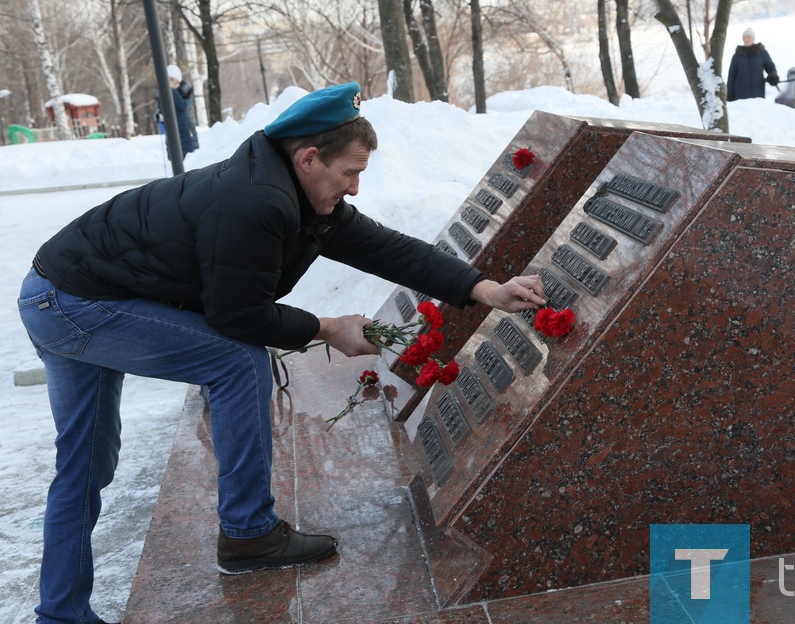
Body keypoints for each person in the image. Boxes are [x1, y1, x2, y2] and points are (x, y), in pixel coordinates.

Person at [18, 81, 549, 624]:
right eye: (351, 173)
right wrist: (330, 327)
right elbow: (237, 318)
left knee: (85, 464)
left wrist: (483, 288)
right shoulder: (255, 201)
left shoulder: (294, 191)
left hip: (62, 292)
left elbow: (387, 248)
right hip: (73, 303)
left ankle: (59, 615)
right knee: (234, 360)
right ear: (310, 158)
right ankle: (249, 534)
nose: (357, 188)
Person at [726, 27, 780, 101]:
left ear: (753, 38)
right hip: (740, 95)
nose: (746, 39)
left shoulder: (761, 53)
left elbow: (770, 67)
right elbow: (731, 76)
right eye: (744, 37)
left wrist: (773, 76)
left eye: (748, 37)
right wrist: (729, 93)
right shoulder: (737, 56)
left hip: (758, 92)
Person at [161, 64, 199, 158]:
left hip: (186, 131)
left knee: (188, 158)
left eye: (172, 79)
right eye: (168, 79)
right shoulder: (165, 93)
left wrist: (172, 91)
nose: (170, 82)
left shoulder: (184, 91)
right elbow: (162, 109)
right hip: (173, 132)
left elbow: (183, 106)